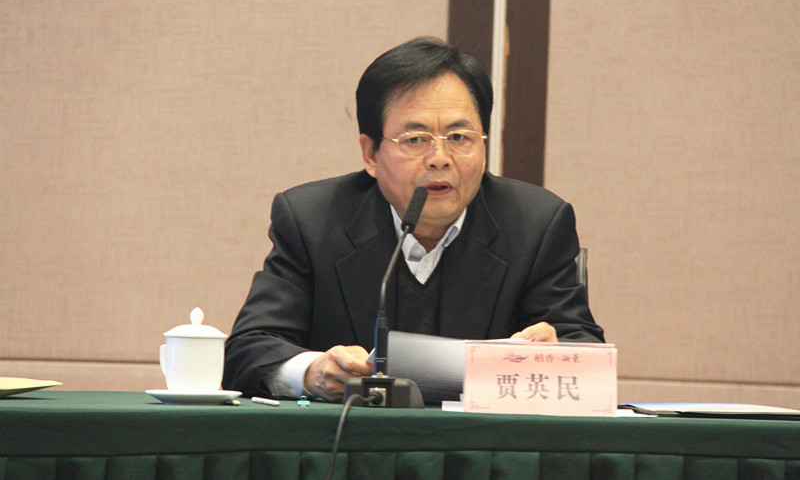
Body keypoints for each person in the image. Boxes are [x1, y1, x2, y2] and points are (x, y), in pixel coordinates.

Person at [223, 36, 604, 402]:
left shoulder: (536, 224)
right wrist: (312, 372)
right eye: (416, 139)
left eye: (459, 137)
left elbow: (586, 352)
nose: (440, 158)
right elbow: (248, 350)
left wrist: (556, 356)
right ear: (370, 154)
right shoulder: (312, 221)